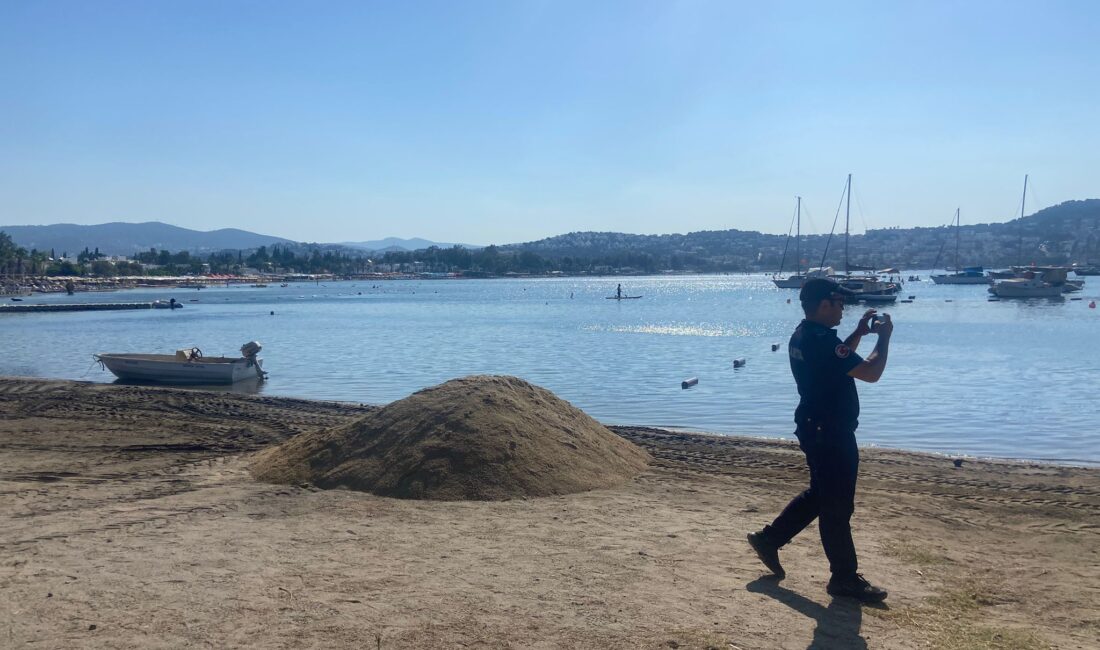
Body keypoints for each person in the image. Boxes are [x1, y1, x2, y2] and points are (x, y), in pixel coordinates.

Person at [747, 277, 893, 603]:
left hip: (816, 427)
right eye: (839, 303)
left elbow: (837, 361)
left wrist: (857, 334)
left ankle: (769, 540)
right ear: (824, 304)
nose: (843, 308)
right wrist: (884, 339)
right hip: (830, 432)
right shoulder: (822, 341)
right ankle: (843, 578)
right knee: (837, 506)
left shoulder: (806, 335)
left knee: (821, 495)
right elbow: (870, 372)